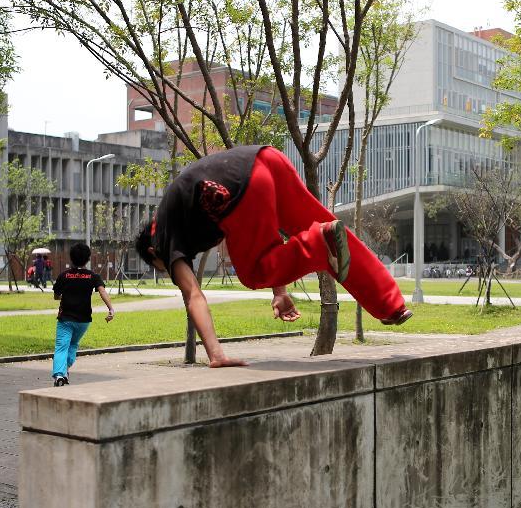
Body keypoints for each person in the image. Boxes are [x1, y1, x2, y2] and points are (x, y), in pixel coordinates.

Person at [135, 145, 412, 368]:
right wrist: (279, 290)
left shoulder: (164, 238)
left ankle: (317, 242)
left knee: (253, 272)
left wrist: (215, 354)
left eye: (163, 268)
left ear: (152, 252)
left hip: (245, 186)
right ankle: (389, 304)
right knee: (325, 227)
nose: (173, 269)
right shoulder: (181, 215)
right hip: (266, 160)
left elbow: (193, 295)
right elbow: (266, 236)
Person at [52, 243, 115, 386]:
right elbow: (102, 291)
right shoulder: (93, 276)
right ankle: (65, 370)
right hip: (83, 320)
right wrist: (111, 309)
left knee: (61, 346)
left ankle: (60, 375)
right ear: (87, 259)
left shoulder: (64, 275)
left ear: (71, 258)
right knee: (73, 344)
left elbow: (56, 296)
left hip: (65, 319)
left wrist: (67, 295)